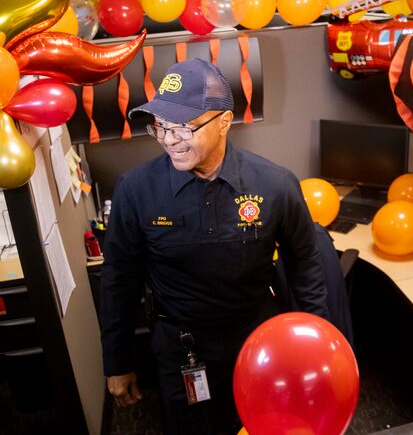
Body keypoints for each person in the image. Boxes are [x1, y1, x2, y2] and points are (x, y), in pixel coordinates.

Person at [99, 58, 329, 434]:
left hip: (259, 343)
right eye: (161, 126)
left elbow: (306, 268)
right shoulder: (136, 190)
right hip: (181, 349)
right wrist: (117, 361)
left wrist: (318, 350)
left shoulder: (276, 184)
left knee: (265, 425)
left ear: (224, 121)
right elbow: (118, 282)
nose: (170, 139)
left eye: (184, 127)